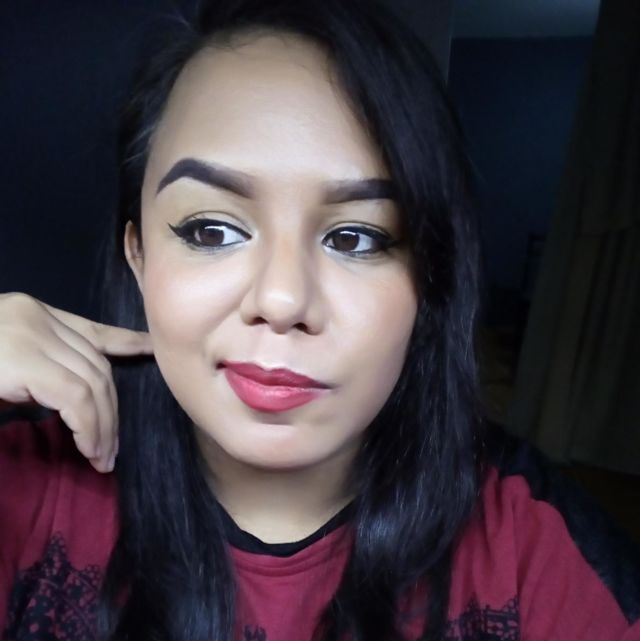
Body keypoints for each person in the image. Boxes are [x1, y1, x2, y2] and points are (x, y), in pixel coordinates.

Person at [0, 1, 638, 640]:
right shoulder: (27, 482)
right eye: (212, 230)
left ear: (430, 275)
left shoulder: (533, 545)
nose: (282, 301)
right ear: (138, 256)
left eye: (356, 238)